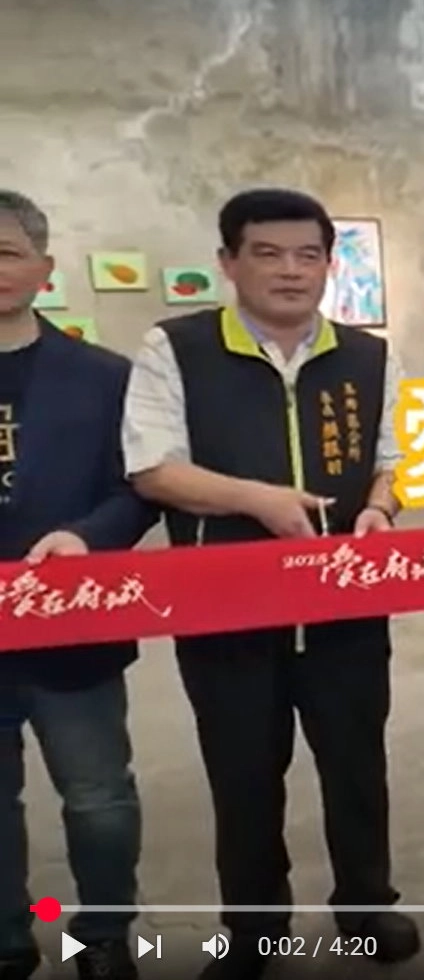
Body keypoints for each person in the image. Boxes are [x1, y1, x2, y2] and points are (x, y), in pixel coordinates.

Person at [121, 188, 419, 980]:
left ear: (328, 264)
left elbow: (396, 457)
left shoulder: (369, 356)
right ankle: (255, 930)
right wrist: (257, 500)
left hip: (346, 610)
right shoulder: (175, 347)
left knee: (357, 768)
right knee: (245, 777)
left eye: (308, 255)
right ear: (229, 262)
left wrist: (382, 508)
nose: (290, 271)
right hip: (227, 613)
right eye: (268, 254)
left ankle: (367, 906)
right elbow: (153, 467)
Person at [0, 191, 155, 980]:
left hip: (70, 621)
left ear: (45, 267)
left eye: (6, 252)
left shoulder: (103, 376)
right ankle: (9, 936)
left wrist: (88, 538)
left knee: (97, 796)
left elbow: (139, 487)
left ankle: (103, 933)